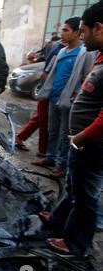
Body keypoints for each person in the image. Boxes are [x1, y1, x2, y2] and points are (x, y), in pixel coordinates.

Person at [40, 2, 103, 256]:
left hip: (93, 144)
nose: (82, 36)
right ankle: (57, 220)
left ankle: (76, 243)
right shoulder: (99, 57)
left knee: (86, 196)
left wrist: (80, 136)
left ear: (98, 28)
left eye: (84, 31)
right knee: (74, 185)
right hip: (84, 142)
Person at [33, 17, 96, 178]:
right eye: (62, 30)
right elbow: (53, 74)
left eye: (66, 30)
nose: (62, 33)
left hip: (68, 101)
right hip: (54, 98)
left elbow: (87, 76)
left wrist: (76, 94)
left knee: (64, 133)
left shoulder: (84, 53)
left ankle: (61, 164)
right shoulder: (61, 51)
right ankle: (50, 157)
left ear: (76, 33)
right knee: (52, 130)